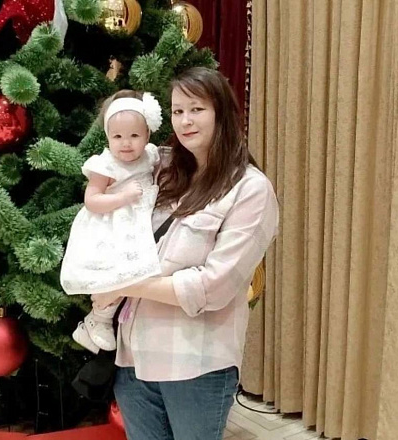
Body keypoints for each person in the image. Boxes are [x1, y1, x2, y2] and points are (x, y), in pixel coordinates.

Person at [95, 67, 280, 440]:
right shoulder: (163, 171)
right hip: (133, 358)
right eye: (178, 111)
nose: (185, 121)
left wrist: (124, 284)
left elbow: (213, 287)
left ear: (222, 113)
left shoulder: (250, 189)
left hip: (195, 365)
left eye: (196, 109)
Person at [60, 90, 164, 354]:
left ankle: (99, 321)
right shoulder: (105, 165)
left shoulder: (150, 155)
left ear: (147, 135)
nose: (125, 143)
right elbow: (92, 200)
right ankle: (99, 318)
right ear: (107, 136)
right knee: (117, 273)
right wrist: (123, 197)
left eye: (134, 136)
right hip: (112, 224)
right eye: (117, 137)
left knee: (139, 272)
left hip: (139, 222)